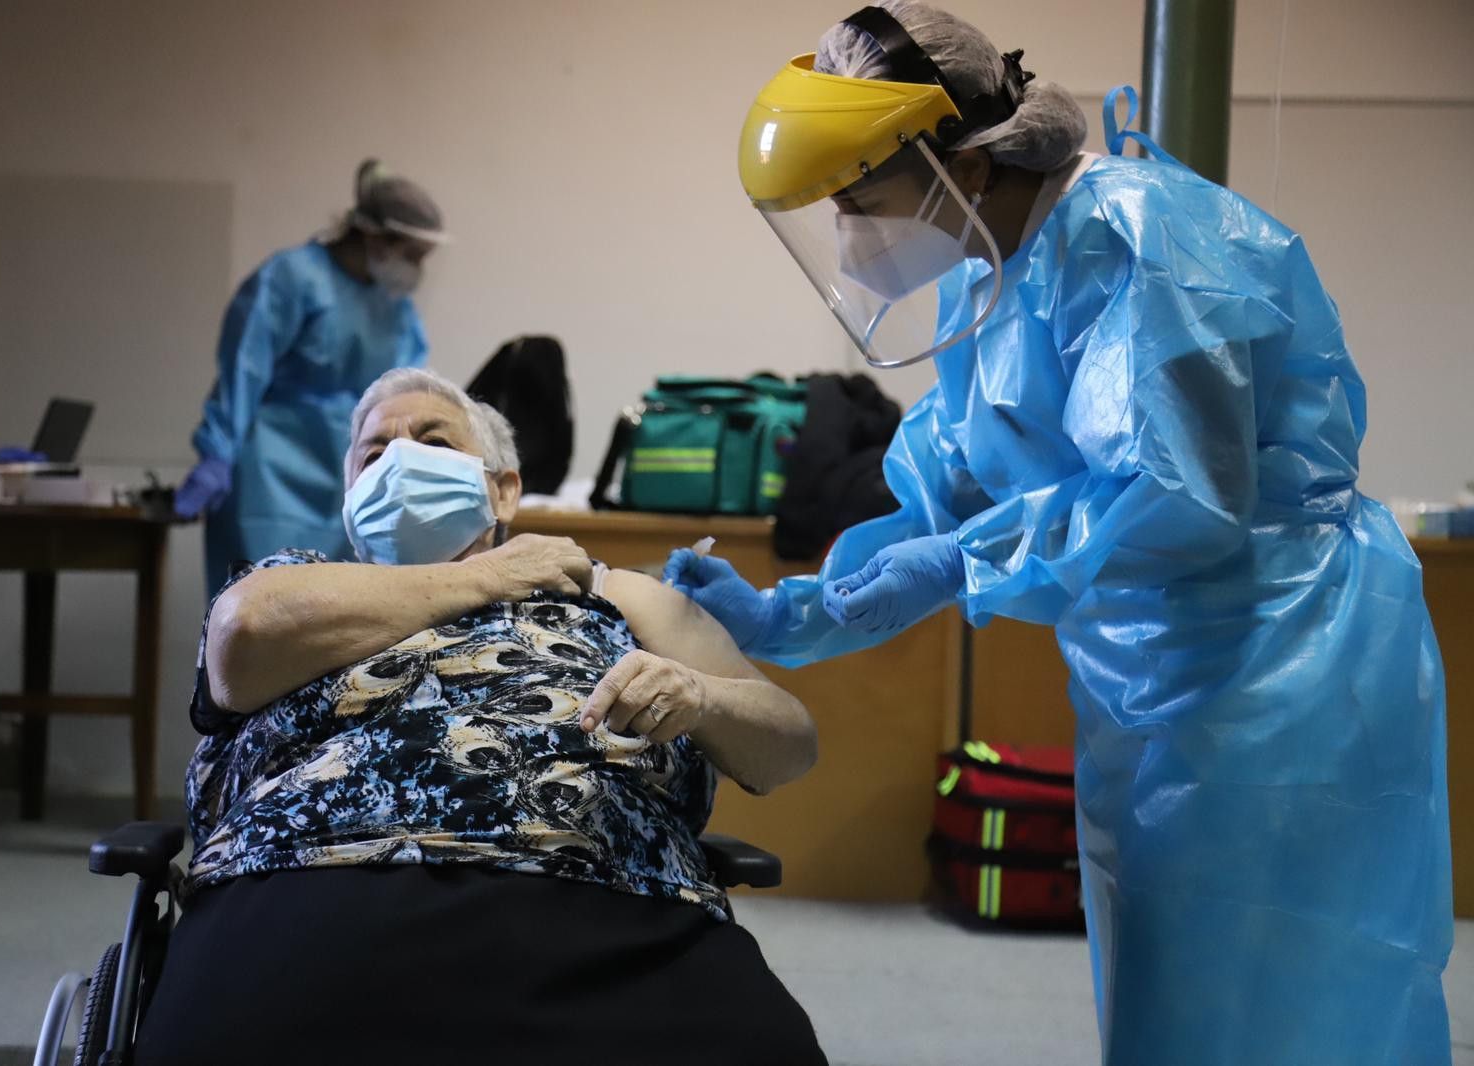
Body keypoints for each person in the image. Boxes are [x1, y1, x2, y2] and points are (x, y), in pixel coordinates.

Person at [666, 3, 1452, 1063]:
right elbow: (941, 500)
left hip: (1283, 665)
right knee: (1169, 994)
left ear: (968, 164)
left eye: (861, 198)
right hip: (1148, 676)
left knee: (1289, 1001)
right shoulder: (995, 283)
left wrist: (960, 558)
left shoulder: (1138, 238)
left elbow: (1177, 498)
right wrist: (794, 611)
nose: (851, 236)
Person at [134, 369, 826, 1066]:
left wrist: (700, 698)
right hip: (308, 879)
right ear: (349, 497)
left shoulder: (619, 597)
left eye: (433, 439)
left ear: (504, 489)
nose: (399, 461)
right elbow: (239, 641)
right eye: (373, 456)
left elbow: (789, 739)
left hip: (608, 892)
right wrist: (496, 576)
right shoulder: (298, 581)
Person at [176, 160, 446, 599]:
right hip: (267, 480)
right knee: (261, 610)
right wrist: (217, 454)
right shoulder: (292, 278)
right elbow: (244, 370)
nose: (416, 270)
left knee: (335, 620)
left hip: (349, 480)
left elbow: (405, 392)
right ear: (376, 237)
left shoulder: (395, 308)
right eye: (412, 256)